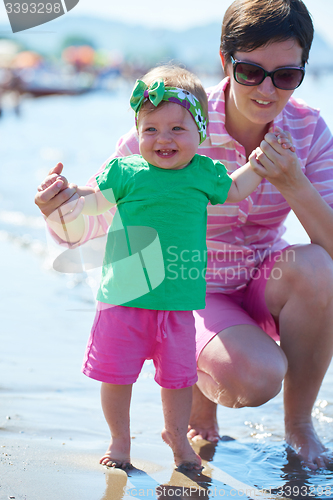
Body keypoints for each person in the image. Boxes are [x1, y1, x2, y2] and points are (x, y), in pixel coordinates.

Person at [35, 0, 333, 471]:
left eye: (287, 75)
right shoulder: (171, 119)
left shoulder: (309, 129)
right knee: (254, 378)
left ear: (302, 72)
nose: (267, 88)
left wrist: (293, 182)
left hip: (262, 274)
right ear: (225, 60)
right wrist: (60, 209)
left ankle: (299, 425)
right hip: (183, 284)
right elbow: (96, 219)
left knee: (319, 268)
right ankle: (198, 378)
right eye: (251, 71)